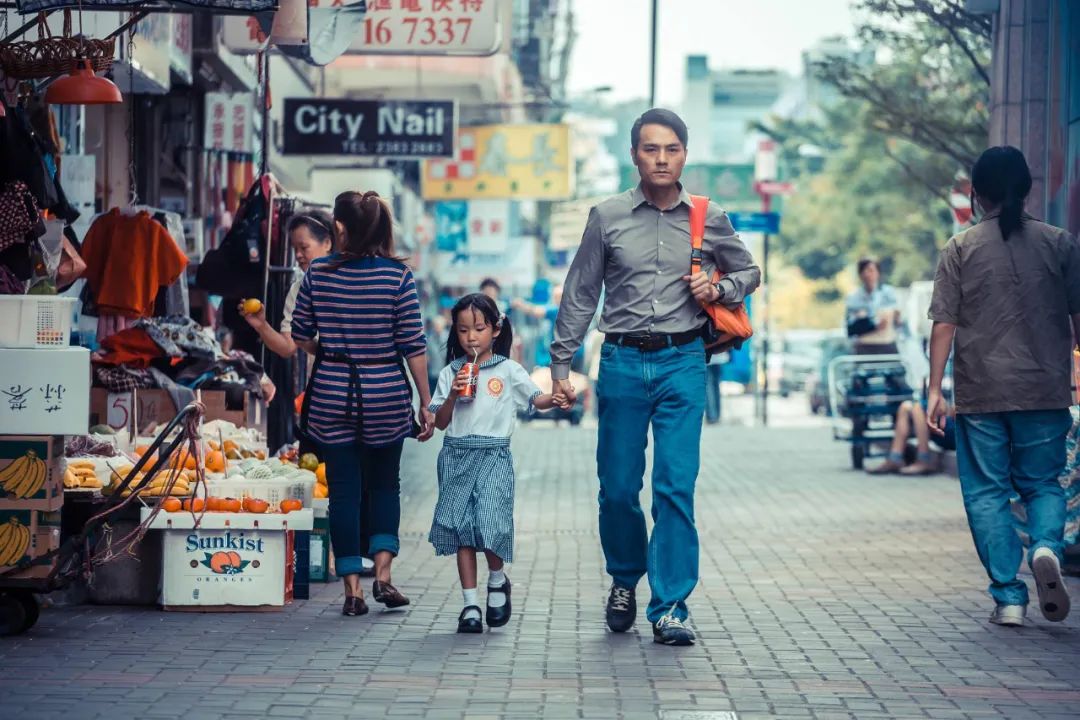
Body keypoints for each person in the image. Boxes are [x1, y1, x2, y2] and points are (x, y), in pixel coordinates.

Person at [550, 108, 760, 646]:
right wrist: (560, 366)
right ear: (635, 155)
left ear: (684, 154)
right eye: (650, 149)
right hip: (619, 362)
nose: (661, 158)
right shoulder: (608, 215)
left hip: (683, 363)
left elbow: (748, 270)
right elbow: (580, 293)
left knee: (674, 486)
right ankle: (624, 579)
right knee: (618, 488)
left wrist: (722, 291)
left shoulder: (708, 217)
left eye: (671, 149)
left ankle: (670, 606)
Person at [928, 146, 1080, 627]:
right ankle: (1045, 547)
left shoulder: (961, 248)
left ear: (976, 194)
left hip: (982, 393)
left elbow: (943, 326)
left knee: (987, 493)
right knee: (1042, 483)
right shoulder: (1060, 243)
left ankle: (1009, 598)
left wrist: (934, 390)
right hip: (1045, 389)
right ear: (1028, 189)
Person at [290, 190, 436, 617]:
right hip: (387, 393)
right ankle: (384, 577)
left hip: (333, 393)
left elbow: (301, 335)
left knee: (344, 493)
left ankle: (352, 590)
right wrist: (426, 403)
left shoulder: (319, 273)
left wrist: (331, 350)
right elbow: (414, 346)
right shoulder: (397, 277)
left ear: (339, 227)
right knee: (385, 485)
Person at [428, 294, 562, 633]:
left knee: (491, 525)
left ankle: (498, 579)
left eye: (479, 328)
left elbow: (536, 399)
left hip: (494, 456)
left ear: (495, 329)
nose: (471, 337)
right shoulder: (450, 373)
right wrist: (455, 393)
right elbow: (440, 421)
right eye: (462, 330)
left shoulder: (509, 369)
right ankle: (470, 604)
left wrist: (557, 397)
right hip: (456, 455)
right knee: (462, 532)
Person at [867, 399, 955, 475]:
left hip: (955, 433)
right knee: (905, 406)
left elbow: (955, 412)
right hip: (945, 427)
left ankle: (924, 460)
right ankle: (895, 458)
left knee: (918, 407)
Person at [845, 258, 901, 354]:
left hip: (887, 345)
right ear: (860, 274)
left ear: (878, 273)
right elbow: (851, 327)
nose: (867, 274)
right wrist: (874, 324)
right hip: (864, 347)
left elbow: (895, 319)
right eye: (864, 271)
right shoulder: (853, 297)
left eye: (871, 270)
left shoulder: (888, 292)